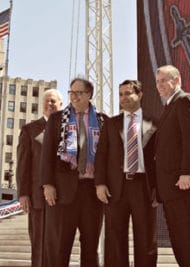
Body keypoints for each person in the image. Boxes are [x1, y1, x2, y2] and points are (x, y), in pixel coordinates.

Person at [41, 77, 108, 267]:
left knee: (90, 246)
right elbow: (46, 155)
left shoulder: (103, 121)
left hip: (92, 192)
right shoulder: (56, 119)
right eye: (71, 93)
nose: (74, 97)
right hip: (63, 192)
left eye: (79, 93)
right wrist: (48, 184)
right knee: (59, 247)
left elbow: (109, 157)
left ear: (89, 95)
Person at [95, 79, 157, 267]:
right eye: (120, 94)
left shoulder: (154, 122)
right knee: (114, 238)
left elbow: (161, 158)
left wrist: (158, 189)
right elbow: (101, 155)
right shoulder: (111, 124)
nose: (123, 98)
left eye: (128, 93)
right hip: (116, 188)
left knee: (146, 238)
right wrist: (100, 184)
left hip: (144, 188)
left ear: (139, 95)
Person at [153, 65, 190, 266]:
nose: (159, 86)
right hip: (172, 190)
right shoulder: (170, 106)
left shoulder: (185, 101)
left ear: (177, 81)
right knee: (180, 244)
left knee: (189, 243)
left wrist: (187, 172)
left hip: (185, 187)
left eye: (163, 80)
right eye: (157, 82)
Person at [16, 89, 63, 267]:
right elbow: (23, 165)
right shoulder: (30, 130)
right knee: (39, 244)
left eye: (53, 101)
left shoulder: (68, 128)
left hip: (63, 197)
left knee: (59, 245)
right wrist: (23, 194)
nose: (49, 104)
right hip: (38, 198)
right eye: (46, 101)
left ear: (60, 105)